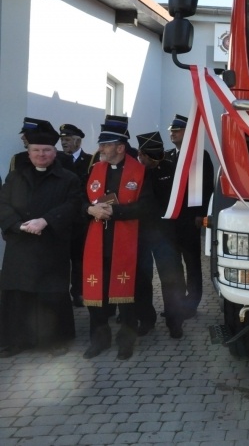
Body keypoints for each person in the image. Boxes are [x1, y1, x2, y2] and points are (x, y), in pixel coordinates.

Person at [0, 120, 82, 357]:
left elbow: (73, 205)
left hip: (51, 244)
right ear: (29, 152)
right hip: (21, 242)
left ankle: (55, 340)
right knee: (18, 292)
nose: (41, 154)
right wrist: (18, 225)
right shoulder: (15, 176)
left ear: (54, 153)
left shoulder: (68, 179)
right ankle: (17, 341)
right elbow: (3, 204)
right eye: (36, 150)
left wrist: (45, 221)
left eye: (46, 150)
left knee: (51, 293)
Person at [82, 117, 156, 360]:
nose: (100, 149)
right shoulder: (95, 169)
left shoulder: (140, 171)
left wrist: (116, 211)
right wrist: (89, 209)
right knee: (98, 299)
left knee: (128, 299)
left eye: (105, 145)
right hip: (98, 244)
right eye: (101, 144)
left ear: (120, 147)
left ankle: (126, 341)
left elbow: (147, 207)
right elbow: (80, 201)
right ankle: (99, 341)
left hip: (129, 245)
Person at [135, 131, 186, 339]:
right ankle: (146, 319)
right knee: (142, 279)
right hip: (142, 233)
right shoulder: (136, 173)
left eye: (154, 157)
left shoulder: (172, 169)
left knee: (171, 279)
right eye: (145, 157)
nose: (147, 160)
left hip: (165, 234)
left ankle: (175, 321)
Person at [166, 113, 213, 318]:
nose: (172, 133)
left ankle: (191, 304)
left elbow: (207, 188)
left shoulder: (200, 156)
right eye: (172, 131)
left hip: (189, 219)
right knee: (173, 264)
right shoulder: (167, 156)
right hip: (170, 221)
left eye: (177, 130)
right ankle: (175, 303)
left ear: (188, 133)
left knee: (192, 263)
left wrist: (201, 215)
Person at [60, 123, 93, 307]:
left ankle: (78, 292)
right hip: (62, 219)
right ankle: (61, 292)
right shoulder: (56, 160)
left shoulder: (89, 160)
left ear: (78, 141)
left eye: (67, 140)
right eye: (62, 140)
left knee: (79, 259)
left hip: (81, 219)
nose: (63, 143)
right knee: (61, 259)